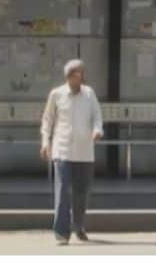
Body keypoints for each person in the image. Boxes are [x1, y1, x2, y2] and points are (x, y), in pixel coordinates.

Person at [40, 59, 103, 246]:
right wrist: (45, 142)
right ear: (68, 76)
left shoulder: (89, 94)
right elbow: (47, 120)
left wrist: (98, 130)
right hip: (63, 150)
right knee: (63, 192)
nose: (81, 77)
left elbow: (97, 116)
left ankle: (79, 226)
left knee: (81, 193)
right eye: (77, 74)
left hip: (85, 152)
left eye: (82, 73)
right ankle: (61, 233)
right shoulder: (56, 94)